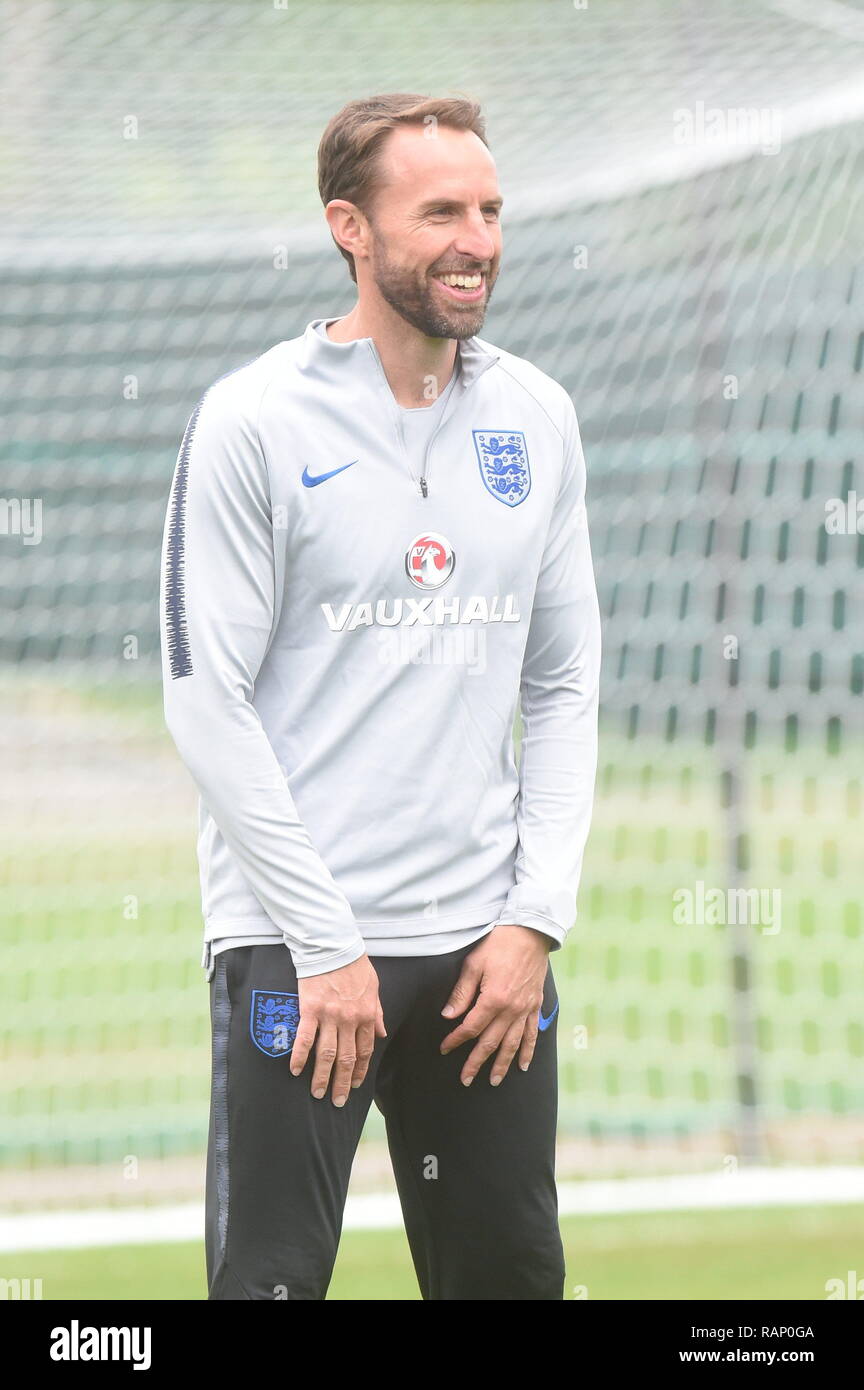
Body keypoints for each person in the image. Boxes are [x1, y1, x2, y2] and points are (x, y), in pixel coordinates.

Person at [159, 92, 601, 1301]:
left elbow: (562, 684)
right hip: (298, 961)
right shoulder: (252, 419)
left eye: (493, 209)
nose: (479, 239)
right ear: (351, 227)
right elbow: (206, 703)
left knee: (511, 1282)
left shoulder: (539, 417)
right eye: (442, 211)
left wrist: (534, 923)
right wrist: (326, 943)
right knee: (270, 1286)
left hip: (486, 966)